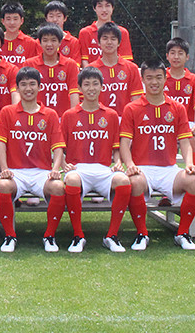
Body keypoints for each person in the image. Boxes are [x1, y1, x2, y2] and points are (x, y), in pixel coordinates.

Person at [120, 59, 195, 250]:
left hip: (169, 169)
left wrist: (189, 164)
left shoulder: (177, 108)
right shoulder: (132, 108)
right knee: (134, 182)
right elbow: (124, 144)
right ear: (142, 80)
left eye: (158, 77)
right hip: (143, 169)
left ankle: (183, 233)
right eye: (149, 78)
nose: (154, 82)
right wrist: (130, 164)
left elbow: (185, 141)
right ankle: (142, 234)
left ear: (166, 79)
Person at [0, 67, 66, 252]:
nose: (28, 88)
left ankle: (49, 236)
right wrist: (4, 168)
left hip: (41, 172)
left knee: (58, 187)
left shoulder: (50, 114)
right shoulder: (7, 112)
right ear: (17, 88)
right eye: (23, 84)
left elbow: (58, 146)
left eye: (32, 84)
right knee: (3, 185)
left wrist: (55, 169)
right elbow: (0, 143)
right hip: (16, 172)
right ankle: (10, 236)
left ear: (40, 87)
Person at [61, 67, 131, 253]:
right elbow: (60, 147)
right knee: (72, 180)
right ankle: (78, 236)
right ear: (79, 88)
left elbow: (116, 148)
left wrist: (118, 162)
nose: (91, 88)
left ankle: (111, 236)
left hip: (102, 169)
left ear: (101, 87)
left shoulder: (111, 115)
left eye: (95, 84)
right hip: (78, 169)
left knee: (123, 181)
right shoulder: (69, 116)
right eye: (86, 84)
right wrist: (63, 165)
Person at [164, 37, 195, 177]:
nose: (176, 57)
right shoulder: (160, 77)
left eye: (180, 53)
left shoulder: (194, 79)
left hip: (187, 123)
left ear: (187, 57)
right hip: (164, 123)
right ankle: (165, 185)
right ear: (167, 56)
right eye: (173, 53)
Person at [22, 23, 79, 118]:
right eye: (45, 40)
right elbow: (24, 93)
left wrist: (73, 118)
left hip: (62, 117)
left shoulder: (70, 64)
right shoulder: (30, 64)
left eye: (53, 40)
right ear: (40, 42)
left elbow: (74, 93)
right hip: (37, 117)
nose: (49, 44)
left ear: (60, 42)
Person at [87, 22, 143, 117]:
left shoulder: (131, 68)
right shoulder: (90, 70)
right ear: (99, 42)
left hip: (125, 119)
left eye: (113, 39)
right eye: (105, 38)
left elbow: (136, 99)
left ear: (119, 43)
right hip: (99, 120)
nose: (109, 42)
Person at [79, 0, 133, 67]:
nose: (104, 10)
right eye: (100, 6)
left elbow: (126, 62)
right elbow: (84, 61)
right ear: (94, 8)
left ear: (113, 7)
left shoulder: (122, 32)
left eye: (107, 5)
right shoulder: (85, 33)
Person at [0, 2, 41, 67]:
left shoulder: (31, 43)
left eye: (15, 19)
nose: (12, 23)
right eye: (8, 19)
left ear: (22, 21)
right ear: (3, 21)